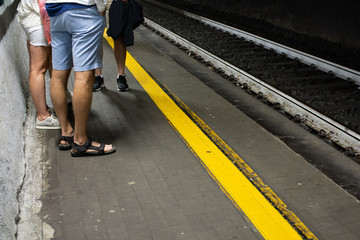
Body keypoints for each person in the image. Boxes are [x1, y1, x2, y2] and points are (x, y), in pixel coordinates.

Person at [45, 0, 116, 157]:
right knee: (84, 77)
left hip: (56, 11)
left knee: (57, 75)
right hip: (83, 10)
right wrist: (101, 8)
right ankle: (81, 141)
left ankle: (66, 133)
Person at [17, 0, 60, 130]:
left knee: (44, 63)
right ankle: (42, 116)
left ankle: (46, 108)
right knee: (39, 67)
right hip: (36, 14)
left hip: (37, 12)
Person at [93, 0, 143, 92]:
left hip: (113, 1)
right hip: (93, 2)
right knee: (95, 38)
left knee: (118, 38)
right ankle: (98, 75)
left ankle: (121, 75)